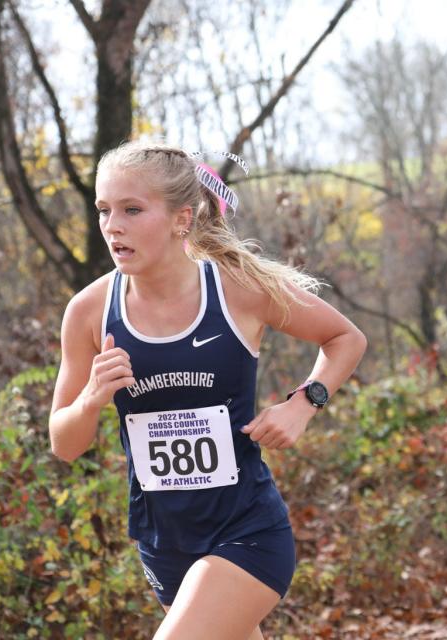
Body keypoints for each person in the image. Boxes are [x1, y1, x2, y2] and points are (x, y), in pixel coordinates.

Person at [48, 140, 367, 640]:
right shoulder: (89, 311)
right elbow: (64, 445)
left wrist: (304, 405)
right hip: (164, 545)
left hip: (247, 533)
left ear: (182, 219)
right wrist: (90, 400)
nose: (113, 226)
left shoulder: (237, 289)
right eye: (104, 210)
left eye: (132, 209)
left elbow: (345, 337)